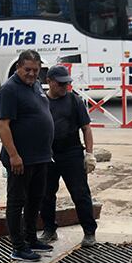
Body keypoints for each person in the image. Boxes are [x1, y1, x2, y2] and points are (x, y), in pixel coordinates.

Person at [0, 50, 53, 262]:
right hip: (20, 159)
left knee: (35, 198)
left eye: (35, 70)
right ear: (18, 67)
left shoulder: (36, 85)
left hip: (40, 156)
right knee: (17, 201)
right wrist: (14, 155)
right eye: (27, 70)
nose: (31, 74)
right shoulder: (9, 90)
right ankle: (18, 247)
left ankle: (31, 238)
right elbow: (3, 125)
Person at [38, 64, 98, 247]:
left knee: (80, 193)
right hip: (48, 154)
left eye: (67, 84)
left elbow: (86, 128)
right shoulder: (40, 102)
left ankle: (89, 232)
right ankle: (49, 229)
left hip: (71, 152)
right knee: (46, 194)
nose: (65, 87)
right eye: (60, 84)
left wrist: (89, 154)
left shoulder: (74, 101)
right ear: (49, 82)